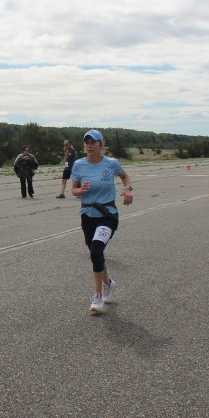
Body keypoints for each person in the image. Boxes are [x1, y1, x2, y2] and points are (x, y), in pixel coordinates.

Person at [71, 129, 133, 315]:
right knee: (95, 254)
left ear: (101, 145)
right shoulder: (78, 165)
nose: (89, 146)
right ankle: (108, 284)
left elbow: (124, 176)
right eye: (87, 143)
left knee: (96, 250)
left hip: (107, 214)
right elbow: (73, 190)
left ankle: (97, 296)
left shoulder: (111, 163)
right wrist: (80, 190)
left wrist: (128, 189)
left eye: (93, 142)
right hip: (87, 215)